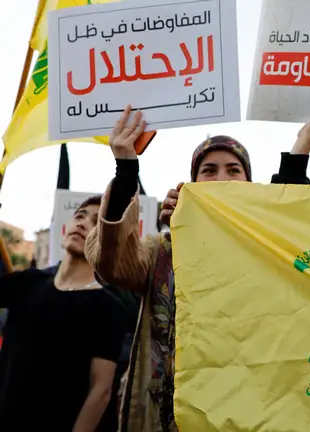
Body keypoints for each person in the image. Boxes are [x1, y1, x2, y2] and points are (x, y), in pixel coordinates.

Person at [84, 106, 256, 431]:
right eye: (209, 170)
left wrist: (301, 150)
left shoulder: (265, 249)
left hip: (248, 408)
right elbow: (113, 264)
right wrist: (126, 171)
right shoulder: (164, 249)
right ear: (191, 184)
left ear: (251, 183)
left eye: (234, 170)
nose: (221, 178)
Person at [0, 195, 125, 431]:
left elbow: (101, 391)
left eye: (96, 222)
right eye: (80, 216)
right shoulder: (27, 282)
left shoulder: (108, 307)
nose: (83, 223)